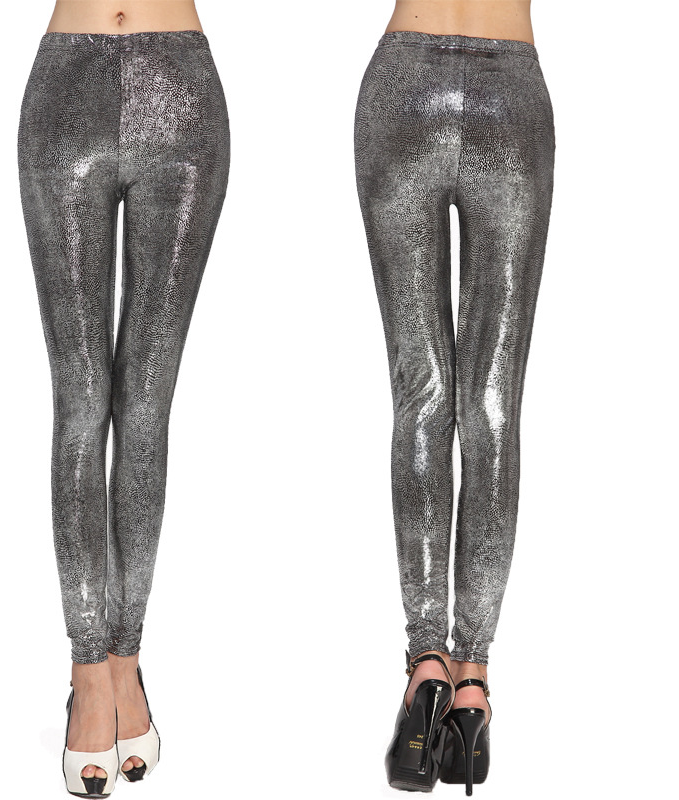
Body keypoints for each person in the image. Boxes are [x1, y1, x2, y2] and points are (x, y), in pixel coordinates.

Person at [17, 1, 229, 795]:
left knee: (145, 404)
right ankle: (89, 669)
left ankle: (126, 658)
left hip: (185, 98)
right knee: (80, 399)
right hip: (65, 89)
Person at [354, 1, 554, 793]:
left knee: (422, 394)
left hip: (401, 88)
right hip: (513, 96)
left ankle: (426, 665)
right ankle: (471, 689)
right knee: (493, 404)